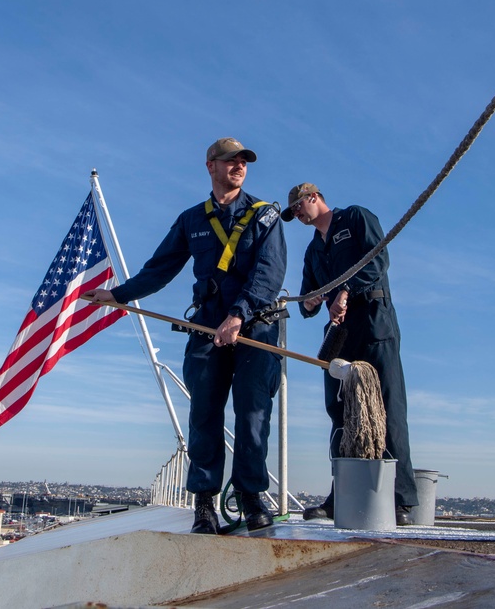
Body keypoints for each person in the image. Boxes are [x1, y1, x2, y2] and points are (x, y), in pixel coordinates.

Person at [88, 137, 287, 534]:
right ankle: (205, 504)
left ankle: (250, 497)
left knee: (252, 417)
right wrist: (119, 295)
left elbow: (270, 271)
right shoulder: (191, 220)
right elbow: (159, 269)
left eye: (243, 162)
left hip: (256, 329)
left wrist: (238, 315)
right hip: (205, 329)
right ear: (210, 165)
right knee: (204, 416)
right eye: (230, 161)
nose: (239, 166)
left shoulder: (266, 216)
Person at [281, 182, 418, 524]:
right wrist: (311, 301)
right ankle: (341, 493)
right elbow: (306, 302)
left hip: (374, 323)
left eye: (300, 206)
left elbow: (379, 261)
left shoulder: (355, 218)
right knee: (339, 411)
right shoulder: (313, 250)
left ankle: (400, 499)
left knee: (388, 406)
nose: (297, 214)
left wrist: (346, 290)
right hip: (340, 335)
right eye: (294, 212)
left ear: (315, 198)